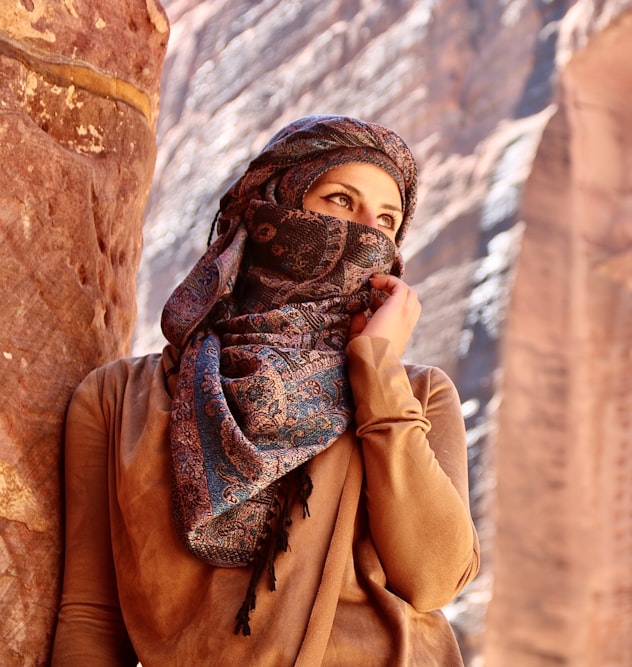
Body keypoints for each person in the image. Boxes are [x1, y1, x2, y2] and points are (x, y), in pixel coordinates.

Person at [52, 115, 480, 666]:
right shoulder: (120, 400)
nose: (367, 232)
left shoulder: (415, 394)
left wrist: (376, 371)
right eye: (341, 201)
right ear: (273, 205)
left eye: (388, 219)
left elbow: (434, 578)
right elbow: (91, 616)